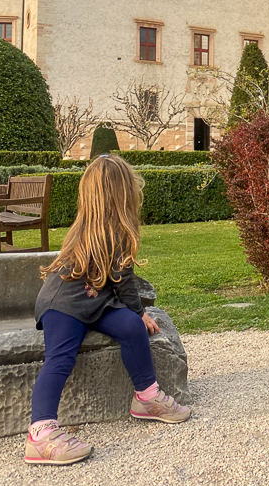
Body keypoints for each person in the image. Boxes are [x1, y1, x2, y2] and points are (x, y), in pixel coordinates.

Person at [25, 154, 190, 466]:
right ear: (123, 194)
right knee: (61, 357)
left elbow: (117, 280)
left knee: (131, 327)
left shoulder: (110, 228)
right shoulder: (102, 230)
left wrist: (135, 317)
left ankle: (147, 398)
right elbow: (124, 280)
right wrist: (139, 310)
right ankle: (41, 434)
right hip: (63, 304)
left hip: (96, 300)